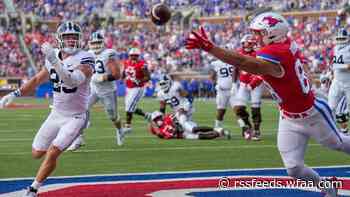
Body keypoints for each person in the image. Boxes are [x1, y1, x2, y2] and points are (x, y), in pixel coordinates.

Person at [185, 11, 350, 197]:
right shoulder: (285, 43)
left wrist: (210, 47)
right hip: (288, 116)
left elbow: (244, 62)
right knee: (294, 168)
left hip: (312, 114)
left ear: (272, 33)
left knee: (338, 143)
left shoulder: (275, 52)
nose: (255, 37)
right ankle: (327, 188)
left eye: (259, 33)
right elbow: (296, 64)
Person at [0, 21, 94, 197]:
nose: (72, 41)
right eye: (68, 37)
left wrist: (54, 60)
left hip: (76, 116)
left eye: (74, 37)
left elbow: (73, 80)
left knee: (52, 152)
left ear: (80, 39)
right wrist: (15, 94)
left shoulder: (86, 57)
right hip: (56, 113)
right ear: (60, 39)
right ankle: (68, 140)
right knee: (37, 153)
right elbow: (36, 80)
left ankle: (33, 189)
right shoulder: (53, 56)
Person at [67, 31, 123, 150]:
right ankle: (79, 138)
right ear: (89, 44)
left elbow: (117, 75)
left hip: (107, 91)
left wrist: (103, 77)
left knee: (112, 116)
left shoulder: (109, 54)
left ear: (103, 43)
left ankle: (119, 129)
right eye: (94, 43)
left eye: (98, 43)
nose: (96, 45)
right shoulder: (88, 54)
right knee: (81, 108)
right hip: (93, 88)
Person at [234, 34, 264, 140]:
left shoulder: (258, 53)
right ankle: (248, 126)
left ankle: (256, 130)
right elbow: (236, 68)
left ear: (252, 43)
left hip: (256, 83)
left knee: (255, 107)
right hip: (243, 83)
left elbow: (262, 71)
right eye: (244, 43)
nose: (245, 45)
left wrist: (253, 82)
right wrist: (234, 83)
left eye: (247, 43)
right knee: (239, 108)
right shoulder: (240, 52)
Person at [134, 109, 230, 140]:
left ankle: (216, 129)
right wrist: (153, 124)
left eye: (158, 118)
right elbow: (160, 134)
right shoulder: (159, 130)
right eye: (156, 120)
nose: (158, 120)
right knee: (199, 137)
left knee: (194, 129)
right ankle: (219, 134)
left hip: (183, 125)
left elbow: (177, 118)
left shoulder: (167, 117)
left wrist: (177, 126)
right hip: (181, 135)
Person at [123, 48, 150, 132]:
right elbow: (124, 72)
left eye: (135, 55)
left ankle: (128, 126)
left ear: (138, 56)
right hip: (129, 88)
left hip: (138, 88)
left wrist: (139, 80)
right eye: (132, 55)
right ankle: (147, 115)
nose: (133, 57)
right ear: (129, 56)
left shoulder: (142, 64)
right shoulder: (126, 62)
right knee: (131, 107)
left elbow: (148, 77)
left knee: (129, 107)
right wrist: (122, 77)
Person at [328, 28, 350, 134]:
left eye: (343, 38)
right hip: (337, 81)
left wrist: (343, 66)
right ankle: (331, 129)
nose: (340, 40)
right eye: (339, 38)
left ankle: (344, 130)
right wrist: (330, 74)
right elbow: (333, 64)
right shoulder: (335, 48)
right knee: (330, 106)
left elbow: (338, 65)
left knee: (344, 110)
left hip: (348, 83)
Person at [209, 56, 238, 129]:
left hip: (233, 90)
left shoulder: (234, 61)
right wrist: (215, 84)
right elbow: (212, 76)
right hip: (222, 91)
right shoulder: (216, 63)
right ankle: (217, 127)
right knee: (221, 111)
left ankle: (245, 128)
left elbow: (238, 73)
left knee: (238, 111)